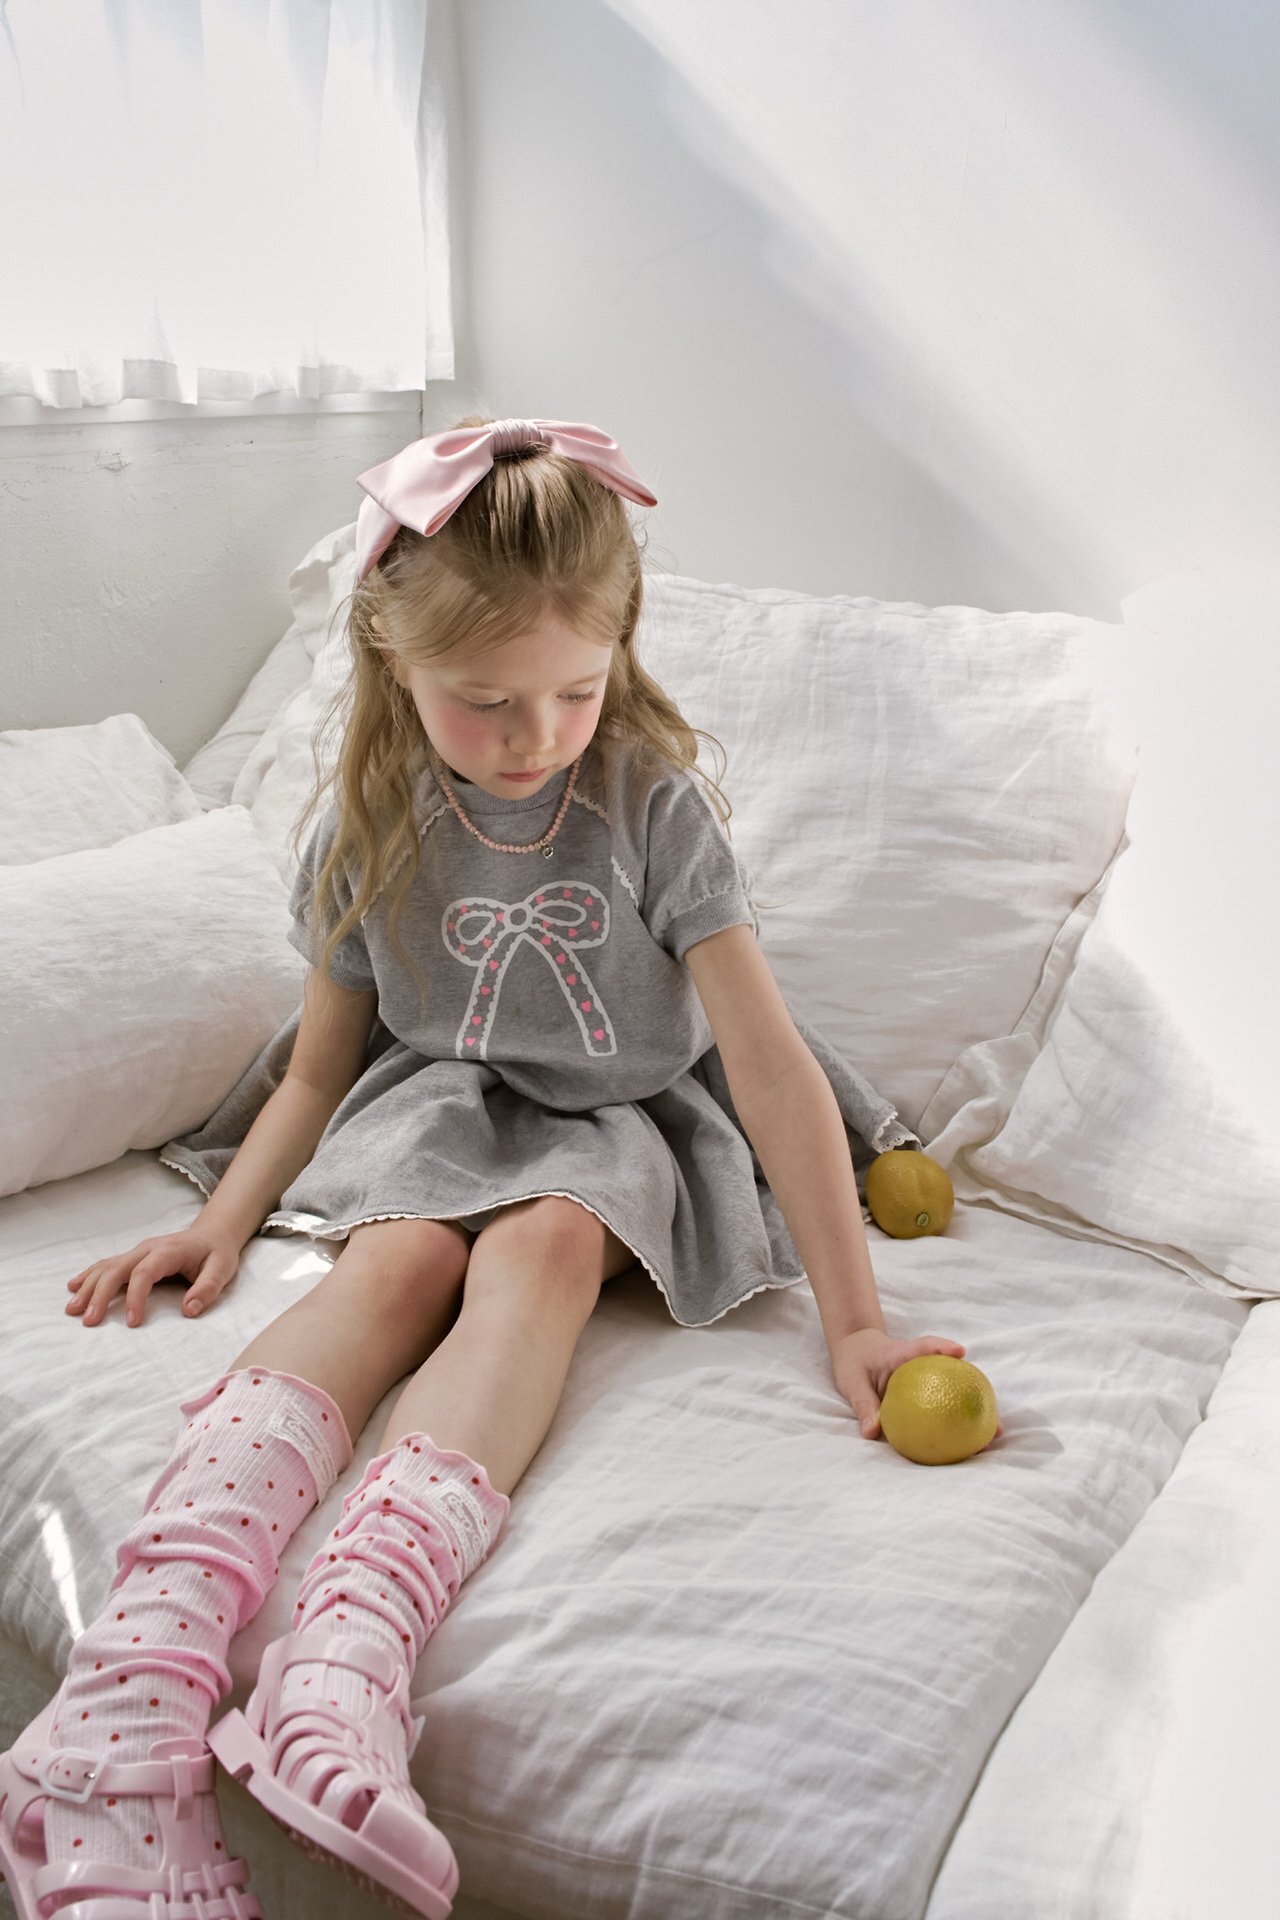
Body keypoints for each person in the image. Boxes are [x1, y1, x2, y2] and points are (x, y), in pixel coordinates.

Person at [0, 415, 995, 1920]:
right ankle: (120, 1707)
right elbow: (321, 1066)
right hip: (437, 1101)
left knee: (546, 1243)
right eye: (486, 703)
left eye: (575, 692)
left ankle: (346, 1661)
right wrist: (225, 1221)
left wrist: (857, 1323)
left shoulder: (652, 805)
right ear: (394, 659)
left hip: (620, 1116)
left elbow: (773, 1065)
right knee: (398, 1259)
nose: (536, 735)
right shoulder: (369, 821)